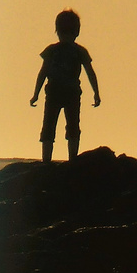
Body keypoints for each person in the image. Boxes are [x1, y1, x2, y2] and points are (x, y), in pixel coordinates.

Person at [30, 9, 100, 163]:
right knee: (60, 126)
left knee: (61, 126)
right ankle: (65, 160)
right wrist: (36, 94)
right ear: (77, 31)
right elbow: (43, 72)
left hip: (67, 93)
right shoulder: (61, 51)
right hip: (62, 92)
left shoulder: (61, 51)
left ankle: (51, 161)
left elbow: (43, 73)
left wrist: (96, 92)